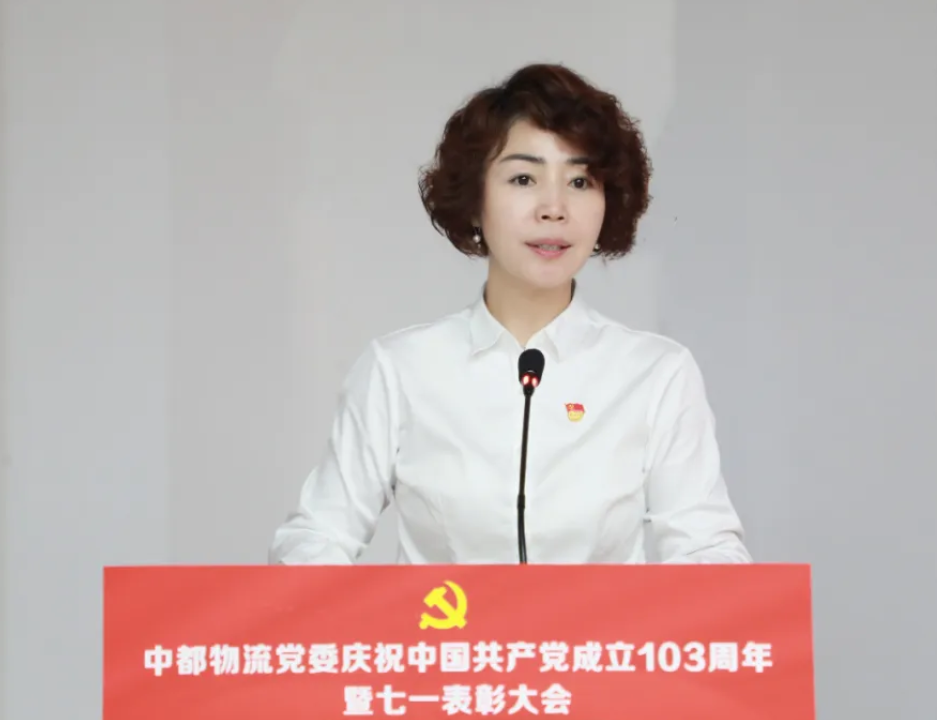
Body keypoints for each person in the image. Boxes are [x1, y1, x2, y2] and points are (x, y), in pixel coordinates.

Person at [269, 63, 750, 565]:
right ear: (475, 200)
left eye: (580, 181)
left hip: (601, 624)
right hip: (444, 621)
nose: (554, 208)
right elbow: (315, 537)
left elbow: (709, 551)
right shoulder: (400, 370)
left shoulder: (656, 374)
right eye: (524, 178)